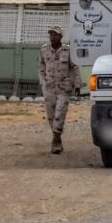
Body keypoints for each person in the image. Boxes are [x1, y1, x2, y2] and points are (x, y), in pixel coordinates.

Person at [38, 26, 81, 154]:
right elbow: (41, 67)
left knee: (60, 113)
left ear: (61, 37)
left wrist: (77, 84)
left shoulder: (68, 50)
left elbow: (75, 67)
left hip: (64, 87)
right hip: (49, 87)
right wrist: (43, 83)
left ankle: (56, 139)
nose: (53, 37)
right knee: (51, 115)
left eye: (55, 35)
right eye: (51, 34)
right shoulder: (44, 50)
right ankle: (57, 137)